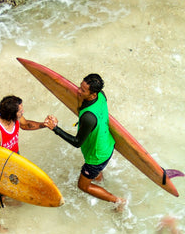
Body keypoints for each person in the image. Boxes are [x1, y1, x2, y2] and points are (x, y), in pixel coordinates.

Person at [44, 73, 126, 210]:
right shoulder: (101, 96)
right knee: (96, 173)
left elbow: (77, 142)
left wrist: (55, 128)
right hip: (107, 145)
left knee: (83, 186)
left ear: (93, 94)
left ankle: (118, 201)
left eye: (83, 90)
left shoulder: (88, 117)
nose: (78, 91)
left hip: (97, 156)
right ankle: (100, 182)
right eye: (80, 87)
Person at [0, 95, 48, 232]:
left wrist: (43, 125)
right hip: (0, 165)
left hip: (14, 157)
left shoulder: (15, 118)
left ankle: (9, 198)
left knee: (17, 181)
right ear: (12, 114)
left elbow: (25, 124)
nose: (23, 112)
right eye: (20, 111)